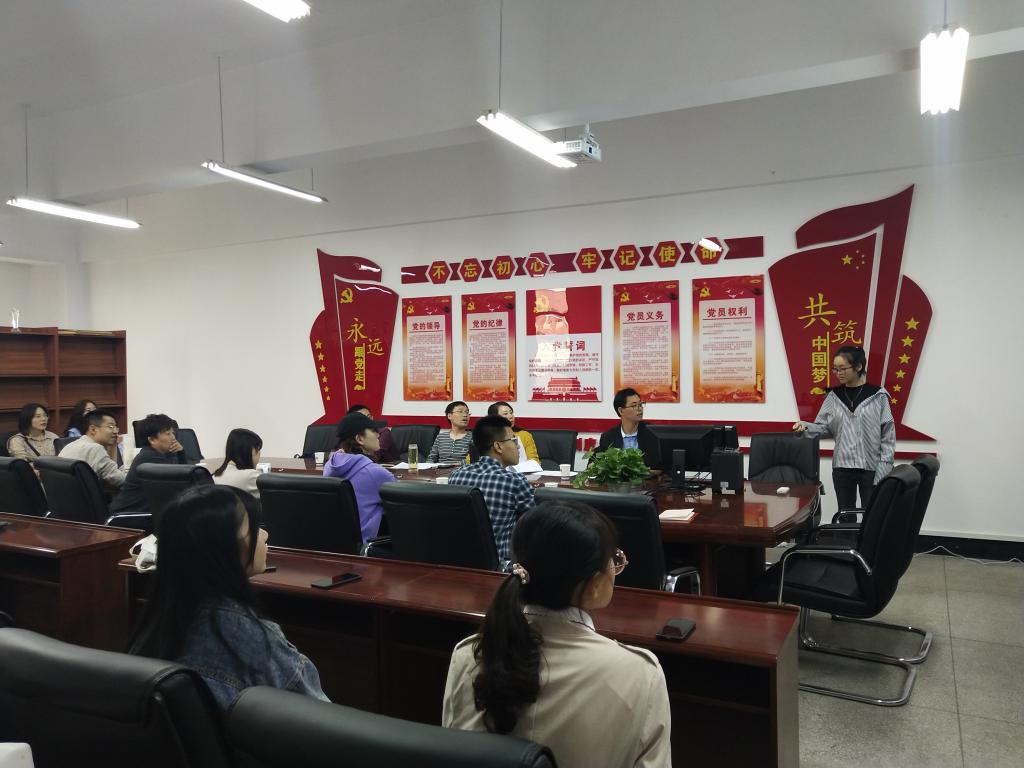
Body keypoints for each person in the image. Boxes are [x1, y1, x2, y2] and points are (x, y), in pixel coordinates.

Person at [443, 500, 671, 768]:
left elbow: (452, 753)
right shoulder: (639, 673)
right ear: (594, 584)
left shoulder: (470, 654)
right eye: (613, 559)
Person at [128, 484, 328, 710]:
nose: (265, 535)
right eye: (256, 528)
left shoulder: (158, 620)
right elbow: (319, 713)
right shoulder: (247, 635)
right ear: (227, 548)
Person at [793, 345, 895, 511]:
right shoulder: (833, 396)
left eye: (842, 368)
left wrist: (885, 466)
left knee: (873, 515)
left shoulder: (878, 396)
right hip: (842, 467)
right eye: (835, 369)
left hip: (871, 467)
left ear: (858, 367)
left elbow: (888, 435)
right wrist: (805, 427)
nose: (838, 373)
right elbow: (824, 428)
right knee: (845, 514)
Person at [446, 415, 535, 562]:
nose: (518, 446)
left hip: (458, 562)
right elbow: (535, 523)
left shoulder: (456, 476)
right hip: (499, 566)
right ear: (498, 446)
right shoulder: (514, 481)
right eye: (513, 440)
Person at [323, 411, 396, 542]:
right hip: (366, 545)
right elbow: (401, 502)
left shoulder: (329, 466)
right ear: (359, 439)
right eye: (373, 431)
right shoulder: (374, 472)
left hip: (334, 543)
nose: (378, 435)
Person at [108, 413, 188, 515]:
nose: (173, 438)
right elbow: (179, 484)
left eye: (173, 433)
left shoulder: (155, 454)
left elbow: (183, 479)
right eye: (168, 434)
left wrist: (180, 453)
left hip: (140, 513)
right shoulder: (149, 457)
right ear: (152, 440)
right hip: (129, 516)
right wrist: (175, 454)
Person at [595, 388, 661, 472]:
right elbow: (595, 460)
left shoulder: (653, 433)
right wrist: (592, 465)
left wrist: (657, 471)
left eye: (640, 404)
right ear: (621, 411)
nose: (640, 408)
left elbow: (664, 464)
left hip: (649, 480)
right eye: (634, 406)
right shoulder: (608, 437)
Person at [58, 409, 127, 489]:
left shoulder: (70, 445)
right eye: (110, 427)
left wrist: (113, 445)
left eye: (116, 427)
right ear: (93, 429)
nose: (115, 432)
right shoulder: (95, 449)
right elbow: (120, 480)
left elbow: (110, 472)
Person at [212, 428, 264, 498]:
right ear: (247, 451)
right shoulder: (251, 476)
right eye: (257, 450)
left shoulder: (215, 477)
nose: (259, 454)